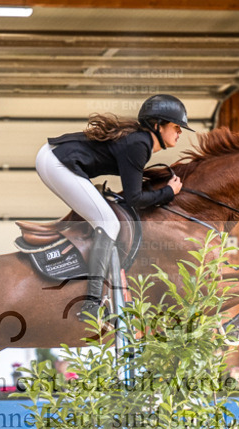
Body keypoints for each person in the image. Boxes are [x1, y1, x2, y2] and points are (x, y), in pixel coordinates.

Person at [36, 93, 192, 319]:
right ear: (158, 125)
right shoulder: (139, 144)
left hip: (54, 158)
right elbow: (135, 200)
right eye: (177, 126)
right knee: (109, 223)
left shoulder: (140, 141)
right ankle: (92, 302)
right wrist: (168, 192)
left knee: (105, 217)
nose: (180, 132)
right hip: (58, 163)